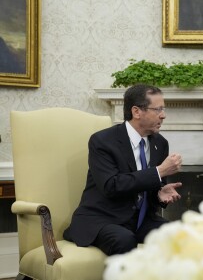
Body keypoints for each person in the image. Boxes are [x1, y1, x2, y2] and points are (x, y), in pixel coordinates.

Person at [63, 84, 183, 255]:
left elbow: (150, 190)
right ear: (136, 111)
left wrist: (160, 195)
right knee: (124, 239)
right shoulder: (103, 141)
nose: (163, 115)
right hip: (103, 219)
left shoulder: (160, 143)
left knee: (181, 235)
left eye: (163, 109)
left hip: (140, 221)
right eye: (157, 109)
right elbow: (111, 186)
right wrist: (158, 172)